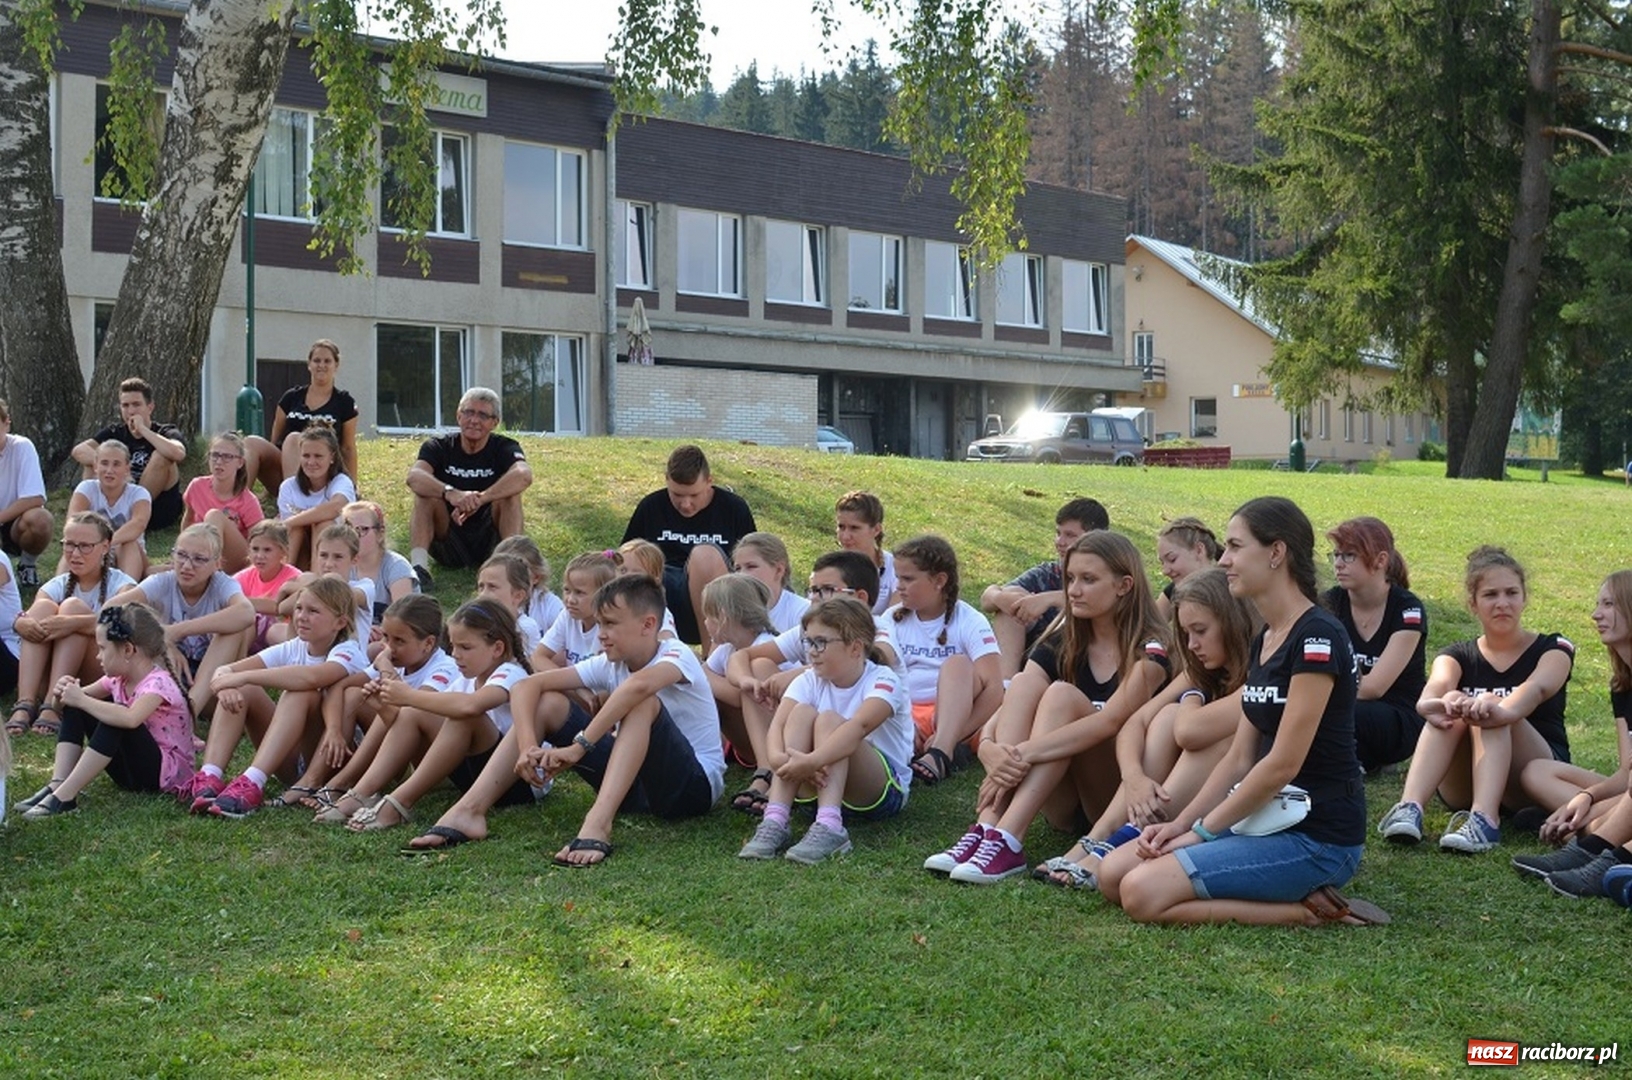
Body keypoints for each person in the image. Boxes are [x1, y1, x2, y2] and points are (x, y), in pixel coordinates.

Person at [1096, 496, 1387, 927]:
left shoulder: (1317, 639)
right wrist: (1184, 823)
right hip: (1266, 818)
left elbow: (1281, 765)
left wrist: (1201, 832)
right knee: (1112, 874)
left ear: (1276, 553)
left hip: (1318, 837)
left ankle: (1308, 912)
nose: (1224, 559)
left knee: (1140, 893)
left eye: (1235, 546)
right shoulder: (1266, 639)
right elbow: (1239, 758)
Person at [406, 575, 724, 863]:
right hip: (632, 785)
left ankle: (597, 824)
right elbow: (528, 685)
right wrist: (528, 746)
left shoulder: (676, 653)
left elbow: (636, 688)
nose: (601, 635)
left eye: (611, 624)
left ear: (648, 624)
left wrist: (579, 747)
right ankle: (468, 811)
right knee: (548, 703)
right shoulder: (609, 663)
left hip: (689, 788)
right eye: (599, 624)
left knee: (642, 702)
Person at [924, 531, 1170, 883]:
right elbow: (1011, 700)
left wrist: (1020, 754)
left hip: (1114, 797)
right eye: (1070, 578)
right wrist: (990, 749)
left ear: (1124, 585)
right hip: (1062, 801)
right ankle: (988, 827)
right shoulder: (1067, 638)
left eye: (1088, 579)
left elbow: (1110, 723)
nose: (1073, 590)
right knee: (1025, 682)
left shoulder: (1151, 647)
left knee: (1061, 696)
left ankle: (1009, 835)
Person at [1037, 567, 1259, 889]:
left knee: (1189, 723)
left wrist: (1192, 698)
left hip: (1233, 803)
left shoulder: (1258, 672)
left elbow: (1189, 732)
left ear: (1232, 622)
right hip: (1173, 796)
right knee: (1164, 716)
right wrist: (1135, 777)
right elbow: (1134, 723)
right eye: (1185, 635)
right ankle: (1098, 836)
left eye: (1200, 631)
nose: (1192, 645)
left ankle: (1118, 840)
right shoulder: (1201, 670)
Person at [1376, 546, 1574, 854]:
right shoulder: (1456, 654)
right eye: (1490, 595)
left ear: (1524, 598)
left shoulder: (1554, 648)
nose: (1502, 603)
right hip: (1465, 782)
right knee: (1453, 705)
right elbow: (1437, 685)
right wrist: (1437, 703)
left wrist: (1493, 705)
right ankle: (1409, 807)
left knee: (1490, 709)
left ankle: (1484, 820)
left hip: (1536, 775)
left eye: (1511, 593)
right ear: (1473, 604)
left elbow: (1535, 689)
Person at [737, 597, 913, 863]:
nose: (812, 652)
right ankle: (775, 819)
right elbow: (778, 726)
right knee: (802, 713)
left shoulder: (884, 680)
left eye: (821, 642)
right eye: (808, 642)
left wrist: (812, 761)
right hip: (813, 785)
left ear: (855, 648)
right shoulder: (808, 679)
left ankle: (831, 826)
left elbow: (858, 728)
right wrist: (779, 760)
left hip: (878, 793)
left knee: (831, 720)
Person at [340, 599, 536, 834]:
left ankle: (398, 802)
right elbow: (411, 725)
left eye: (466, 647)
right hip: (476, 778)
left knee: (463, 715)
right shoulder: (465, 680)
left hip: (518, 782)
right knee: (418, 711)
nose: (456, 655)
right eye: (453, 646)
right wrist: (383, 705)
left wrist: (408, 696)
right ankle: (363, 793)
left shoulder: (511, 673)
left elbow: (472, 706)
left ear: (497, 648)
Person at [725, 549, 893, 812]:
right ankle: (772, 801)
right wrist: (747, 682)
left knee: (829, 720)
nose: (815, 598)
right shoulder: (812, 631)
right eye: (812, 589)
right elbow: (743, 659)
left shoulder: (878, 629)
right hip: (812, 755)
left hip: (869, 769)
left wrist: (802, 671)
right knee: (768, 676)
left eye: (826, 589)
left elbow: (882, 658)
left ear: (860, 597)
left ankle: (827, 822)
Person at [193, 576, 370, 816]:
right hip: (292, 761)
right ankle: (210, 777)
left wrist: (245, 677)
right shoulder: (295, 645)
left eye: (313, 611)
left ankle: (253, 782)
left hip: (335, 759)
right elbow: (225, 671)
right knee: (243, 690)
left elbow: (313, 678)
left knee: (300, 692)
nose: (301, 617)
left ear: (340, 622)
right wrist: (228, 684)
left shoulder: (349, 651)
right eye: (298, 608)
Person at [1510, 572, 1632, 897]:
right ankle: (1587, 835)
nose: (1596, 614)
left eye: (1608, 604)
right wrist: (1586, 797)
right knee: (1537, 770)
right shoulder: (1623, 686)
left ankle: (1594, 846)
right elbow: (1626, 771)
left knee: (1596, 820)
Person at [13, 604, 194, 818]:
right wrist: (62, 693)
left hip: (163, 776)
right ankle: (58, 784)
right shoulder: (116, 679)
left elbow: (130, 719)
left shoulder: (158, 684)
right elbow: (63, 706)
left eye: (102, 648)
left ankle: (65, 796)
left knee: (114, 715)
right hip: (129, 773)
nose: (98, 656)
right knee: (82, 704)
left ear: (128, 650)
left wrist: (80, 698)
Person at [307, 595, 460, 822]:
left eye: (399, 641)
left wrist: (386, 669)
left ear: (428, 643)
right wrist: (334, 730)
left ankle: (345, 784)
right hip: (399, 748)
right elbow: (340, 686)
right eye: (386, 638)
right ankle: (328, 778)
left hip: (432, 762)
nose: (389, 648)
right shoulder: (395, 661)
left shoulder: (445, 667)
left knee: (396, 705)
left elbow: (415, 708)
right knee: (354, 694)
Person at [7, 513, 138, 738]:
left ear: (105, 547)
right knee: (42, 609)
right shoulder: (55, 585)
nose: (75, 554)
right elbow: (31, 619)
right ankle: (25, 702)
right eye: (69, 545)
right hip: (49, 674)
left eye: (85, 546)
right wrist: (23, 622)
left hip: (96, 676)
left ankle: (53, 705)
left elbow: (125, 624)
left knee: (73, 608)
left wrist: (73, 623)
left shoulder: (123, 585)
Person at [110, 523, 254, 724]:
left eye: (199, 559)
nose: (187, 566)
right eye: (181, 555)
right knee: (149, 638)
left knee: (233, 630)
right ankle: (177, 711)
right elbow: (110, 611)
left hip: (213, 683)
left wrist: (177, 631)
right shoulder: (162, 582)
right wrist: (163, 639)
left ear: (217, 564)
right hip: (167, 679)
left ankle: (187, 714)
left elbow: (246, 613)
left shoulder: (222, 584)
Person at [621, 444, 756, 652]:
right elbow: (624, 558)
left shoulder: (733, 509)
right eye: (677, 494)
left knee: (705, 556)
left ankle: (713, 658)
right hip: (660, 594)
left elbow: (752, 565)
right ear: (666, 479)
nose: (685, 504)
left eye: (694, 496)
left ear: (709, 482)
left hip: (717, 597)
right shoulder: (651, 506)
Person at [892, 535, 1004, 785]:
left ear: (939, 581)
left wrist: (953, 734)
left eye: (908, 579)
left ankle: (940, 753)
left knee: (958, 664)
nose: (899, 586)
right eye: (897, 577)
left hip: (957, 714)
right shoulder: (891, 620)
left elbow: (995, 689)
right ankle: (919, 748)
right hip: (905, 712)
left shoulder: (969, 620)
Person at [1321, 517, 1427, 774]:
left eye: (1349, 556)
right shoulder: (1329, 604)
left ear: (1380, 560)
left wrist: (1313, 694)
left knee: (1339, 712)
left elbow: (1373, 688)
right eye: (1335, 555)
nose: (1338, 564)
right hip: (1344, 707)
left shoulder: (1407, 610)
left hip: (1396, 717)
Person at [406, 387, 532, 588]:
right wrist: (451, 493)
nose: (474, 420)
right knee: (424, 494)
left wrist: (481, 498)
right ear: (458, 416)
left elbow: (524, 475)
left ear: (494, 423)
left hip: (492, 545)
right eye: (469, 412)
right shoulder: (438, 446)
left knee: (510, 496)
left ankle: (510, 568)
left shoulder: (505, 447)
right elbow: (414, 477)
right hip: (448, 539)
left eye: (483, 415)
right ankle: (419, 570)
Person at [980, 497, 1110, 679]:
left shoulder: (1109, 575)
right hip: (1036, 657)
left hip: (1085, 659)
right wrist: (1000, 598)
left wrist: (1049, 599)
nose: (1060, 541)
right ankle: (1005, 686)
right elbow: (987, 599)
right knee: (1011, 597)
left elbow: (1112, 606)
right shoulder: (1049, 573)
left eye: (1070, 535)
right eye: (1058, 533)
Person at [245, 338, 359, 493]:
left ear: (336, 365)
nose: (321, 365)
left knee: (294, 438)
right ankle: (239, 503)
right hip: (285, 469)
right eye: (317, 360)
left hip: (321, 471)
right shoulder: (291, 397)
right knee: (251, 442)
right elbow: (274, 442)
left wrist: (352, 486)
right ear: (309, 364)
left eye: (327, 361)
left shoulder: (344, 402)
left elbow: (347, 448)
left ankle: (297, 501)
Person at [72, 376, 186, 532]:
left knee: (163, 456)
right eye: (125, 405)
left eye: (136, 405)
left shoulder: (166, 431)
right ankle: (91, 520)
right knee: (94, 459)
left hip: (154, 507)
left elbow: (178, 454)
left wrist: (144, 430)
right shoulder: (115, 432)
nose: (131, 411)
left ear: (150, 407)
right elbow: (79, 450)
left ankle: (131, 513)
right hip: (116, 495)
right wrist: (111, 466)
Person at [65, 440, 151, 580]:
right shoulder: (86, 488)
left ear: (127, 468)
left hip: (126, 554)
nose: (109, 470)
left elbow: (138, 523)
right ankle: (61, 590)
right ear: (95, 466)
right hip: (91, 552)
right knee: (74, 548)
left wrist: (105, 545)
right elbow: (73, 522)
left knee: (129, 543)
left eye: (116, 464)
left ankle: (126, 592)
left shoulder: (139, 494)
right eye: (104, 463)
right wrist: (95, 548)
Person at [181, 432, 263, 573]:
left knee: (214, 516)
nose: (219, 462)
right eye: (215, 455)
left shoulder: (247, 500)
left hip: (238, 560)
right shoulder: (196, 486)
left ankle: (209, 570)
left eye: (227, 457)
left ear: (240, 462)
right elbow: (188, 519)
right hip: (199, 554)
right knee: (157, 572)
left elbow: (260, 540)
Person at [277, 423, 357, 569]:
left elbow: (337, 507)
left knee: (323, 524)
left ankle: (318, 584)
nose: (311, 462)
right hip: (299, 551)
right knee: (296, 529)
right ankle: (279, 581)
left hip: (333, 555)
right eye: (306, 456)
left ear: (332, 457)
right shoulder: (288, 487)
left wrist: (291, 521)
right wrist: (292, 524)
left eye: (318, 456)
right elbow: (288, 531)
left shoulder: (341, 481)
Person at [0, 397, 56, 588]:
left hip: (14, 523)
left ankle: (27, 565)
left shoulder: (21, 447)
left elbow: (35, 497)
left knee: (41, 519)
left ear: (7, 422)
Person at [341, 501, 417, 628]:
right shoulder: (344, 567)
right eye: (348, 530)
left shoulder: (396, 567)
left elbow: (404, 617)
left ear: (380, 534)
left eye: (362, 530)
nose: (354, 537)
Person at [233, 520, 301, 651]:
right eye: (255, 549)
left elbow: (282, 608)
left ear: (283, 551)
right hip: (250, 635)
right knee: (244, 621)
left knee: (272, 630)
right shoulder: (244, 577)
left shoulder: (294, 577)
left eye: (267, 550)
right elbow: (225, 598)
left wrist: (244, 602)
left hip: (279, 636)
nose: (259, 556)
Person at [731, 532, 810, 632]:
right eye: (738, 569)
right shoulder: (731, 613)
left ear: (779, 570)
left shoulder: (802, 612)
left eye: (751, 566)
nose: (741, 575)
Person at [834, 491, 896, 615]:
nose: (845, 536)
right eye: (841, 527)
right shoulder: (830, 568)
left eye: (854, 528)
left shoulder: (895, 568)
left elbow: (893, 619)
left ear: (876, 529)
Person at [1153, 517, 1222, 622]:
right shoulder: (1176, 590)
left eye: (1172, 559)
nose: (1165, 571)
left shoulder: (1230, 591)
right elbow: (1149, 625)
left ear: (1199, 550)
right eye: (1162, 562)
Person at [494, 535, 565, 635]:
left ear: (536, 577)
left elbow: (566, 639)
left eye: (519, 573)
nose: (510, 579)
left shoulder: (550, 606)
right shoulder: (492, 604)